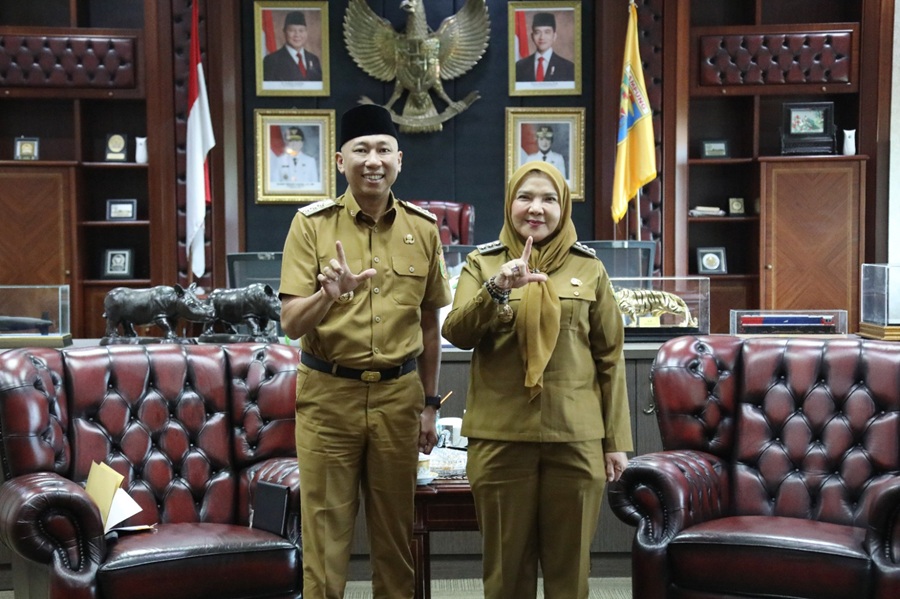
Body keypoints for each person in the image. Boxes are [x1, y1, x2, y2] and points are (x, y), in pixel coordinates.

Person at [278, 104, 452, 599]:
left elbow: (430, 324)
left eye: (382, 150)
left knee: (396, 538)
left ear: (399, 159)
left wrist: (429, 405)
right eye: (360, 150)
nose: (372, 160)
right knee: (325, 538)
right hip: (328, 398)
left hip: (399, 398)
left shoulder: (423, 228)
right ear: (341, 161)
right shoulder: (311, 226)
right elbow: (291, 323)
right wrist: (327, 296)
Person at [441, 161, 632, 599]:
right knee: (506, 573)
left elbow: (609, 357)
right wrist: (497, 288)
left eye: (548, 199)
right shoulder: (482, 263)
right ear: (509, 203)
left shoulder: (589, 268)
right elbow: (457, 333)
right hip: (501, 438)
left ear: (563, 207)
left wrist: (615, 441)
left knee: (570, 573)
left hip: (576, 438)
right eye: (525, 197)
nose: (536, 208)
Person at [514, 12, 576, 82]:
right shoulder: (519, 66)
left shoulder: (568, 68)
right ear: (532, 36)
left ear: (554, 36)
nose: (542, 37)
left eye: (547, 32)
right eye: (537, 32)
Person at [262, 10, 323, 82]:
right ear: (284, 32)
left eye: (301, 30)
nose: (297, 35)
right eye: (292, 30)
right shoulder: (271, 61)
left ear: (306, 32)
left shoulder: (313, 59)